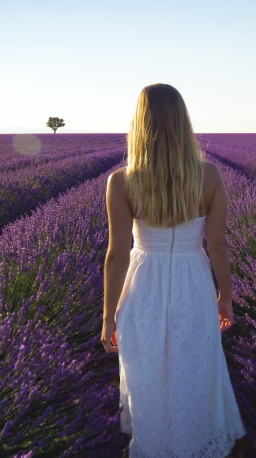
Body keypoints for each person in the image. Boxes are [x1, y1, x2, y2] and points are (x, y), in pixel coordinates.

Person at [101, 83, 247, 457]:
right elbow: (218, 247)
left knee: (147, 373)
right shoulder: (209, 176)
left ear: (139, 124)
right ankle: (193, 444)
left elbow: (117, 255)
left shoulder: (122, 181)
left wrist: (107, 318)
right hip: (193, 282)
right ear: (183, 122)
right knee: (193, 370)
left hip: (143, 284)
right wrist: (225, 299)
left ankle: (155, 446)